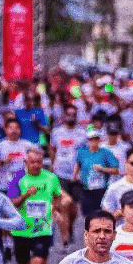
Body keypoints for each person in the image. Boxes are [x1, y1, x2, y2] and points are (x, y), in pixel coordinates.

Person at [7, 147, 63, 264]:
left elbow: (57, 195)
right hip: (22, 230)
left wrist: (55, 208)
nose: (36, 165)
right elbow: (12, 204)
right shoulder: (17, 178)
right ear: (25, 162)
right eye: (32, 162)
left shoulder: (51, 178)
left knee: (39, 262)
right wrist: (25, 195)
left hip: (43, 228)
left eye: (39, 162)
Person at [49, 104, 86, 246]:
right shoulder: (56, 132)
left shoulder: (82, 134)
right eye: (68, 114)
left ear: (76, 116)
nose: (70, 117)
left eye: (73, 114)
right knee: (64, 204)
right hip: (60, 174)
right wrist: (53, 165)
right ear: (64, 116)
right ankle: (65, 237)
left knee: (74, 209)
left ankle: (69, 228)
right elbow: (52, 149)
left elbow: (84, 153)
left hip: (76, 176)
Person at [74, 129, 120, 217]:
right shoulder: (83, 152)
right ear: (87, 140)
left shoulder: (106, 153)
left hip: (101, 190)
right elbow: (78, 163)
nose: (93, 141)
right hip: (87, 190)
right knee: (87, 216)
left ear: (99, 140)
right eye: (91, 139)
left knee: (101, 216)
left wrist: (102, 169)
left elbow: (116, 170)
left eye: (96, 139)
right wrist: (75, 176)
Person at [0, 117, 35, 193]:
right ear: (5, 129)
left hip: (24, 186)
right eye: (11, 128)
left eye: (16, 128)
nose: (14, 130)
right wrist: (2, 162)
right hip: (4, 186)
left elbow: (37, 161)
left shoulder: (28, 145)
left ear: (20, 129)